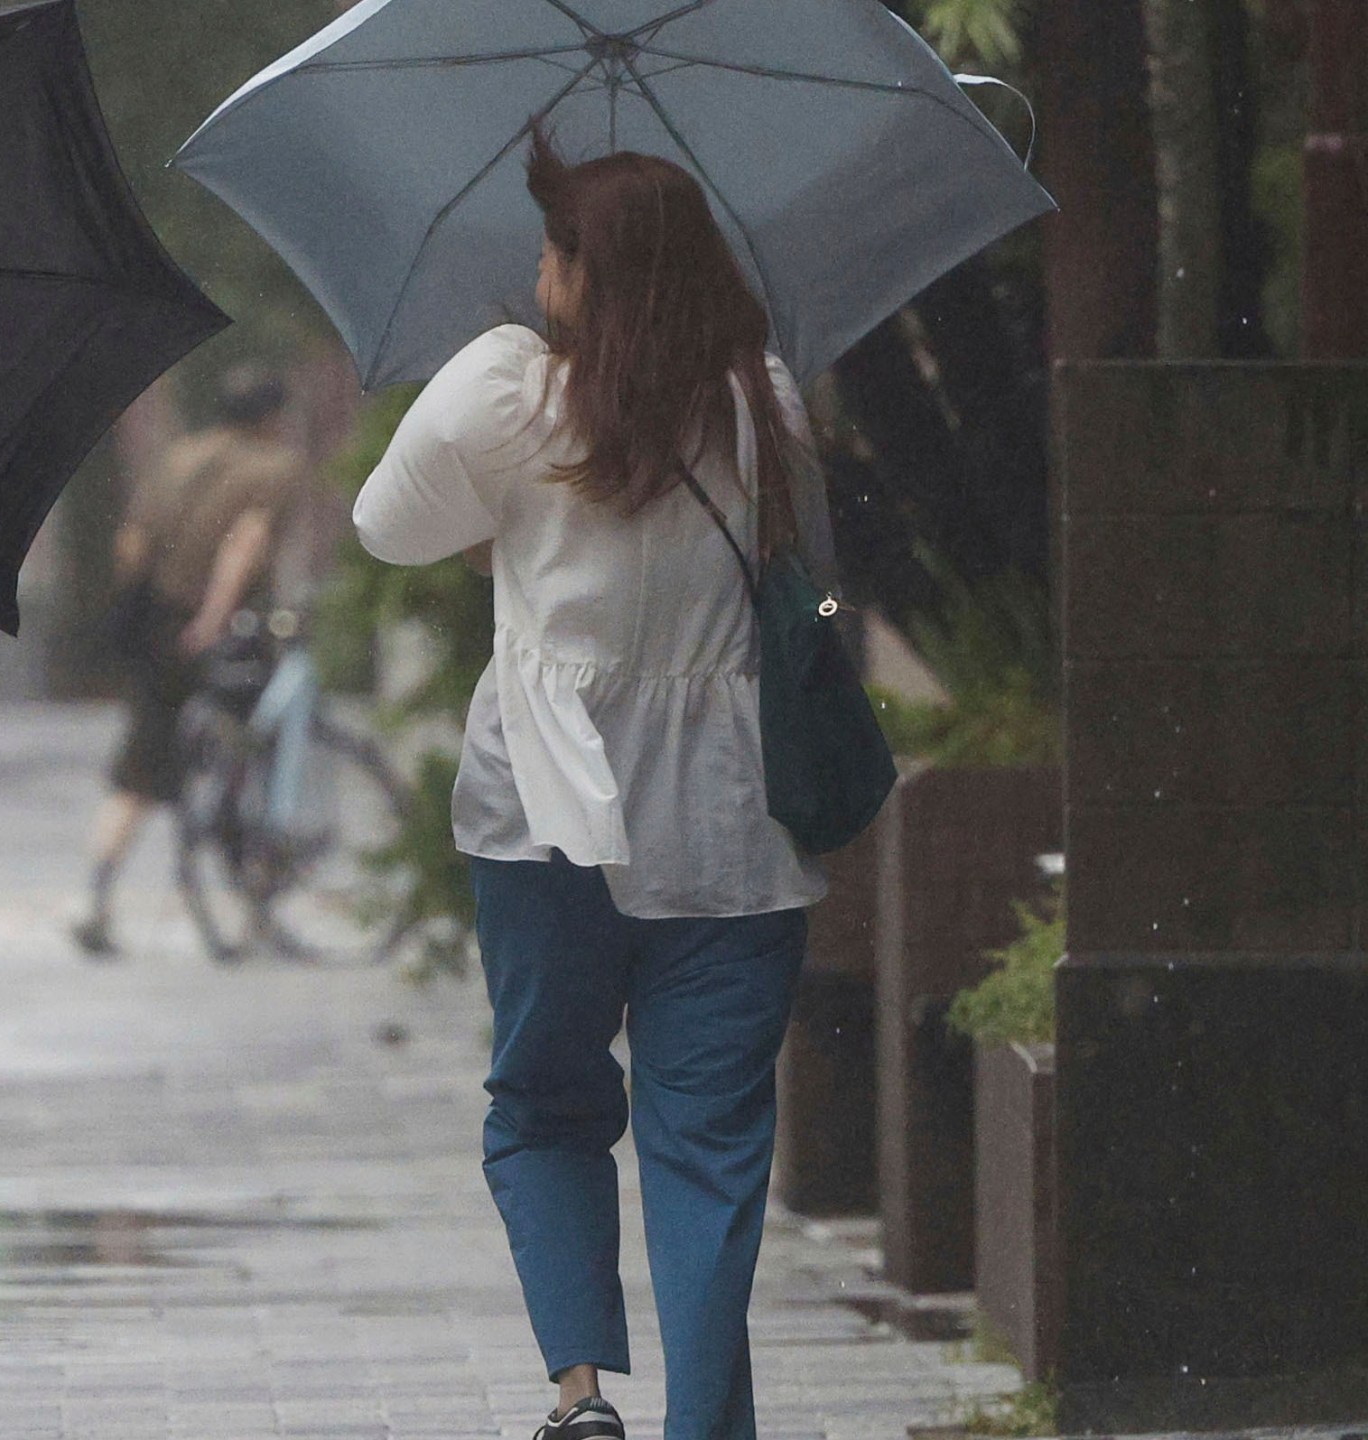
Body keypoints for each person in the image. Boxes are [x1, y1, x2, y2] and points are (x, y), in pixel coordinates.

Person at [352, 137, 839, 1440]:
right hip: (731, 824)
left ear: (592, 275)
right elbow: (799, 563)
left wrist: (504, 528)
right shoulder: (764, 400)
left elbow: (386, 528)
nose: (536, 267)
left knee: (546, 1106)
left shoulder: (504, 395)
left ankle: (580, 1397)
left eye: (555, 246)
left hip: (542, 816)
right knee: (711, 1147)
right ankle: (707, 1428)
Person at [71, 365, 310, 958]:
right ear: (273, 418)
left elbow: (133, 540)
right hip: (223, 628)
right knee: (259, 745)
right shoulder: (276, 468)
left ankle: (96, 900)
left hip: (156, 621)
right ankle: (255, 888)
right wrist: (212, 616)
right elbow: (246, 544)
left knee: (140, 763)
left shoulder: (177, 458)